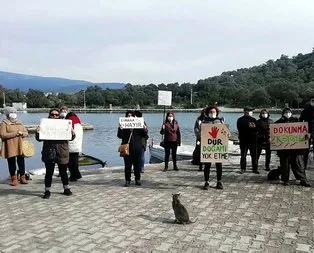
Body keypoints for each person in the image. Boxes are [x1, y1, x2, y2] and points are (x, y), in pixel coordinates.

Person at [36, 108, 76, 199]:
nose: (54, 116)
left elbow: (71, 138)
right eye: (52, 114)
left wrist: (73, 133)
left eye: (56, 115)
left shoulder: (64, 124)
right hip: (49, 152)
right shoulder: (44, 124)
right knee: (49, 173)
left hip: (62, 151)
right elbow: (39, 139)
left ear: (59, 116)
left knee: (64, 172)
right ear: (49, 115)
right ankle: (47, 191)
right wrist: (37, 132)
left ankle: (66, 189)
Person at [275, 107, 311, 187]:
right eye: (286, 112)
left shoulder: (297, 121)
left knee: (298, 164)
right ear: (283, 113)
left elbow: (303, 131)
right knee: (285, 165)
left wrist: (306, 136)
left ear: (291, 113)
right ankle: (285, 180)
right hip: (284, 149)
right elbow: (274, 134)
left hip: (295, 148)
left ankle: (302, 180)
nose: (287, 113)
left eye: (289, 112)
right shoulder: (278, 123)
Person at [117, 110, 148, 186]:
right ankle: (127, 180)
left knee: (137, 165)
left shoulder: (138, 125)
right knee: (127, 165)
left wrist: (144, 128)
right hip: (127, 148)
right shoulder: (124, 125)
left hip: (137, 148)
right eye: (128, 115)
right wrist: (120, 128)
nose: (129, 116)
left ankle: (137, 179)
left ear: (134, 117)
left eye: (131, 115)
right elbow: (119, 136)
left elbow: (144, 135)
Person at [0, 107, 29, 186]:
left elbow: (26, 132)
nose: (14, 113)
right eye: (12, 112)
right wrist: (15, 133)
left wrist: (22, 133)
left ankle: (23, 177)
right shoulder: (4, 123)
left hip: (20, 145)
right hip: (10, 145)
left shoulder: (20, 122)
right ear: (7, 114)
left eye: (15, 112)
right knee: (11, 162)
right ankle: (14, 178)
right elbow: (2, 135)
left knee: (21, 161)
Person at [202, 105, 225, 190]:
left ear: (217, 113)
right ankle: (206, 182)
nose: (212, 113)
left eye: (214, 112)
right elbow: (200, 134)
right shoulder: (204, 122)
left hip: (218, 146)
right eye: (211, 112)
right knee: (207, 165)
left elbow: (225, 134)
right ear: (208, 113)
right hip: (208, 146)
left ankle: (219, 181)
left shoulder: (220, 121)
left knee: (219, 165)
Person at [237, 106, 259, 174]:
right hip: (243, 140)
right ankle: (243, 168)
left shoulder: (254, 120)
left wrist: (254, 128)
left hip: (253, 140)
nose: (250, 112)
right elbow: (239, 129)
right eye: (249, 111)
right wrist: (248, 127)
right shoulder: (240, 120)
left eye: (251, 111)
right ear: (245, 112)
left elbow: (257, 129)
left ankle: (255, 169)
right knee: (243, 155)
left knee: (254, 155)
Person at [65, 112, 83, 181]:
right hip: (77, 146)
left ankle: (74, 175)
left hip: (70, 145)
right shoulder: (79, 124)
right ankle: (76, 175)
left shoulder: (69, 122)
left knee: (70, 162)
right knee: (75, 162)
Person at [299, 96, 314, 169]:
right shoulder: (305, 111)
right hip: (306, 132)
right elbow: (300, 121)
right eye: (312, 100)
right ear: (310, 101)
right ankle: (304, 165)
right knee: (305, 149)